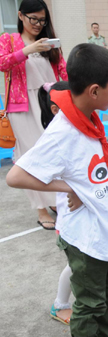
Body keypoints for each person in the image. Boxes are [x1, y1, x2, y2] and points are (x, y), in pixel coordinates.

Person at [6, 43, 108, 337]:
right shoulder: (64, 130)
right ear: (96, 90)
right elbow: (17, 175)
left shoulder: (91, 117)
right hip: (86, 239)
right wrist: (65, 185)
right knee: (90, 303)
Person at [37, 81, 108, 326]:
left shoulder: (88, 128)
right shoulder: (60, 136)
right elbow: (25, 176)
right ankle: (60, 305)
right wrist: (73, 188)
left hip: (97, 210)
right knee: (77, 266)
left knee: (101, 256)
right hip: (76, 216)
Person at [0, 0, 68, 230]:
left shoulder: (50, 43)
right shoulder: (8, 40)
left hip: (49, 103)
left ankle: (55, 200)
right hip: (22, 106)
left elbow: (62, 71)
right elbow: (2, 63)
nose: (39, 24)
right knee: (31, 156)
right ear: (20, 16)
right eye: (34, 19)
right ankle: (40, 207)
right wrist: (27, 50)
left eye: (42, 20)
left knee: (55, 154)